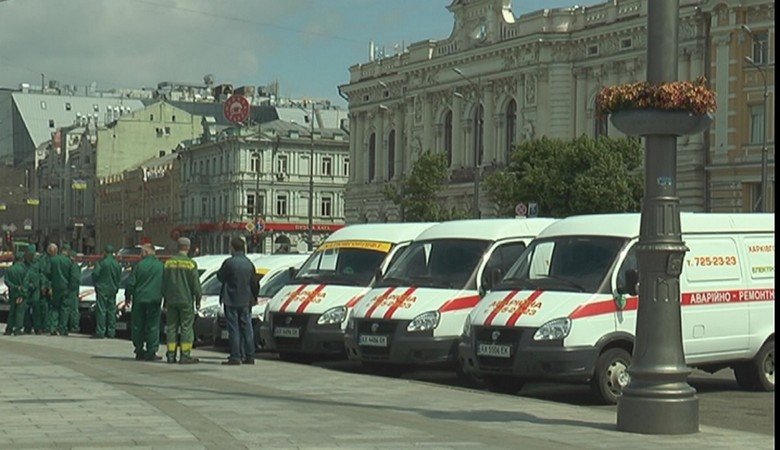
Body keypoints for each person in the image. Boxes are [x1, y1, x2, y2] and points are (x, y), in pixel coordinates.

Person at [217, 237, 260, 365]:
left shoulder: (229, 262)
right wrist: (255, 297)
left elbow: (220, 276)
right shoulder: (249, 263)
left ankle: (235, 356)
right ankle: (250, 355)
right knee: (247, 327)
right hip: (246, 300)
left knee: (233, 328)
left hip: (231, 299)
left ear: (233, 248)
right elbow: (254, 283)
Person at [162, 237, 201, 364]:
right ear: (188, 248)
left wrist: (165, 298)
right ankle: (185, 355)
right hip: (186, 300)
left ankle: (171, 355)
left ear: (177, 247)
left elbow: (164, 283)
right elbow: (195, 284)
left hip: (171, 300)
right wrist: (198, 299)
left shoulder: (168, 263)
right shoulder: (190, 263)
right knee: (186, 328)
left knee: (171, 328)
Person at [125, 244, 164, 361]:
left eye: (141, 252)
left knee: (138, 325)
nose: (140, 254)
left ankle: (139, 350)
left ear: (146, 253)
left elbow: (131, 283)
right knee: (153, 326)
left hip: (139, 299)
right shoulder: (161, 266)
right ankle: (151, 351)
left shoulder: (139, 266)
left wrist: (128, 296)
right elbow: (165, 283)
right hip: (155, 300)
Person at [91, 244, 121, 338]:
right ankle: (111, 332)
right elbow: (119, 277)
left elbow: (95, 274)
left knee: (101, 310)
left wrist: (96, 284)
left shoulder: (101, 263)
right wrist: (116, 286)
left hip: (102, 289)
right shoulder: (117, 264)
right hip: (112, 289)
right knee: (112, 311)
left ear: (105, 252)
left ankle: (101, 331)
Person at [46, 243, 74, 336]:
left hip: (55, 287)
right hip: (65, 288)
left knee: (54, 308)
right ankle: (62, 328)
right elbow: (72, 276)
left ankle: (53, 328)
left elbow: (48, 273)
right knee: (64, 308)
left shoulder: (53, 260)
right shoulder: (69, 261)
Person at [3, 252, 26, 336]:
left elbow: (6, 281)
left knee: (12, 312)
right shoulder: (24, 270)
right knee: (19, 312)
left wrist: (14, 287)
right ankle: (18, 329)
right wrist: (21, 293)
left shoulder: (9, 269)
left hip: (12, 293)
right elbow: (25, 283)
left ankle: (9, 329)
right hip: (21, 294)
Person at [65, 248, 82, 334]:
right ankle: (74, 326)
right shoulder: (74, 266)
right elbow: (76, 279)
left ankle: (68, 326)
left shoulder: (70, 265)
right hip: (72, 290)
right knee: (73, 309)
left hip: (70, 290)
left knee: (67, 309)